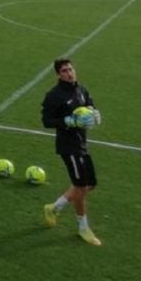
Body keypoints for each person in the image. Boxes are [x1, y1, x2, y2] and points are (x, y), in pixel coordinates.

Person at [41, 58, 103, 246]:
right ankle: (83, 228)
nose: (69, 73)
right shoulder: (54, 95)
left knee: (90, 184)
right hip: (68, 146)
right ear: (58, 74)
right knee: (81, 187)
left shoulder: (81, 89)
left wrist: (94, 112)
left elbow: (89, 104)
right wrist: (68, 121)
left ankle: (54, 207)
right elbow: (47, 120)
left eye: (70, 69)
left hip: (81, 143)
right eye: (65, 71)